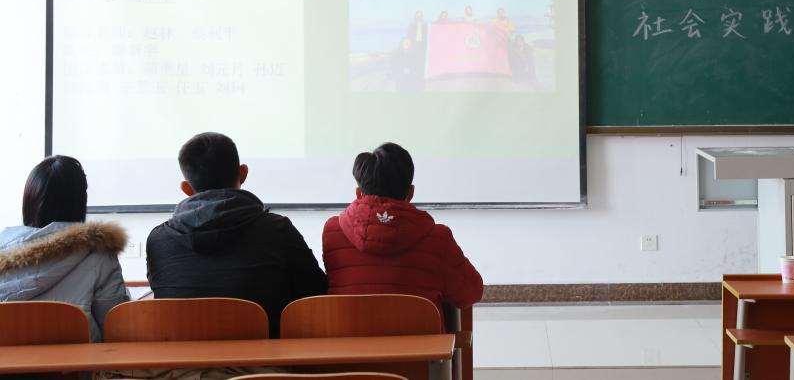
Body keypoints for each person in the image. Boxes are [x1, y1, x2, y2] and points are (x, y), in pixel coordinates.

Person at [146, 132, 326, 337]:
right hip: (265, 356)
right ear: (243, 173)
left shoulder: (158, 240)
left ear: (186, 188)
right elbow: (315, 294)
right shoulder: (278, 229)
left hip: (181, 357)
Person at [322, 143, 483, 323]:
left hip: (348, 340)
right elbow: (472, 292)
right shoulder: (438, 238)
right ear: (410, 193)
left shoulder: (333, 231)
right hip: (420, 341)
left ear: (359, 194)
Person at [0, 155, 129, 341]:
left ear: (29, 200)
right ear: (79, 201)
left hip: (9, 359)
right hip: (81, 359)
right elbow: (116, 326)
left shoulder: (4, 250)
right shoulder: (98, 253)